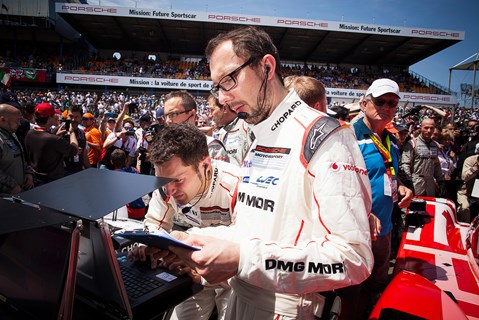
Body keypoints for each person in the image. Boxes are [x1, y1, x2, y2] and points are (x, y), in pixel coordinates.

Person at [157, 26, 373, 319]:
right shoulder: (259, 135)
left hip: (290, 308)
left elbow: (353, 258)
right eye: (217, 86)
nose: (222, 97)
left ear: (267, 67)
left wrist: (245, 259)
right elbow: (256, 232)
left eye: (229, 80)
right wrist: (194, 239)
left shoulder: (326, 137)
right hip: (241, 298)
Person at [133, 123, 240, 320]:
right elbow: (155, 222)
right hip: (192, 272)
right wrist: (145, 245)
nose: (170, 190)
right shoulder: (165, 187)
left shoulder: (237, 185)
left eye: (178, 180)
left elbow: (247, 252)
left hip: (231, 277)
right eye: (162, 181)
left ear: (205, 165)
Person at [352, 78, 413, 319]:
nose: (387, 108)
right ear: (364, 103)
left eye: (393, 103)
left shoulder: (393, 141)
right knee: (351, 288)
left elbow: (390, 176)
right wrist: (363, 213)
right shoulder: (349, 136)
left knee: (375, 285)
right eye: (381, 102)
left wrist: (402, 188)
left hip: (384, 229)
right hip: (356, 227)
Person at [163, 90, 229, 163]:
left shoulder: (210, 147)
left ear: (192, 114)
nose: (168, 120)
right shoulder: (164, 147)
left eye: (173, 114)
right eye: (166, 116)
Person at [24, 102, 78, 184]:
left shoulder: (29, 133)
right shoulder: (54, 139)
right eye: (53, 114)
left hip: (36, 178)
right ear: (49, 118)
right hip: (51, 181)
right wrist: (72, 132)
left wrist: (55, 135)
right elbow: (74, 150)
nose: (56, 116)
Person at [401, 118, 443, 196]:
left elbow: (436, 164)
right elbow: (405, 164)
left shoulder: (435, 145)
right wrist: (408, 181)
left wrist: (440, 181)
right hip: (415, 183)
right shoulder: (412, 143)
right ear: (421, 128)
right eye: (426, 128)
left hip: (430, 185)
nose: (429, 131)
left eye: (431, 128)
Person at [207, 94, 252, 166]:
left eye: (212, 110)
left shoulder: (246, 125)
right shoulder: (222, 132)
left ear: (225, 108)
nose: (210, 115)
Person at [0, 102, 34, 194]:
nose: (19, 124)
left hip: (19, 191)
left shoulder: (11, 134)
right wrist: (12, 186)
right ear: (2, 120)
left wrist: (28, 172)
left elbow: (20, 157)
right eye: (17, 120)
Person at [110, 148, 146, 220]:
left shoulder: (112, 176)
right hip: (141, 210)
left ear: (111, 162)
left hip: (127, 212)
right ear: (126, 160)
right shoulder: (135, 170)